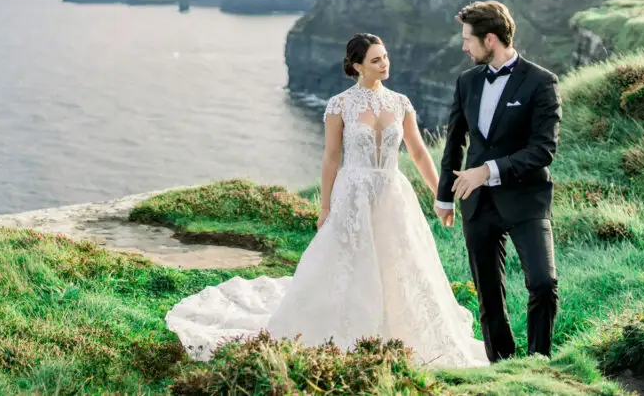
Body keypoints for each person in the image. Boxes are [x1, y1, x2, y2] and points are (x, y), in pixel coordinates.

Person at [164, 33, 489, 368]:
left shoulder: (401, 103)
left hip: (392, 193)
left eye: (386, 57)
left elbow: (420, 153)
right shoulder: (340, 105)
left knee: (399, 262)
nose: (384, 64)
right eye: (376, 60)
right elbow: (332, 158)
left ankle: (399, 333)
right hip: (353, 194)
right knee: (348, 263)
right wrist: (325, 207)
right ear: (357, 65)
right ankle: (346, 331)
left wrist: (441, 195)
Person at [434, 0, 561, 362]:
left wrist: (487, 170)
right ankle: (502, 365)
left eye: (468, 40)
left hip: (526, 199)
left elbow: (543, 150)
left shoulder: (541, 82)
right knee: (489, 295)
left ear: (490, 40)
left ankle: (540, 363)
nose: (463, 47)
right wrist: (445, 197)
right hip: (477, 203)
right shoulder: (467, 81)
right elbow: (455, 141)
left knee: (543, 283)